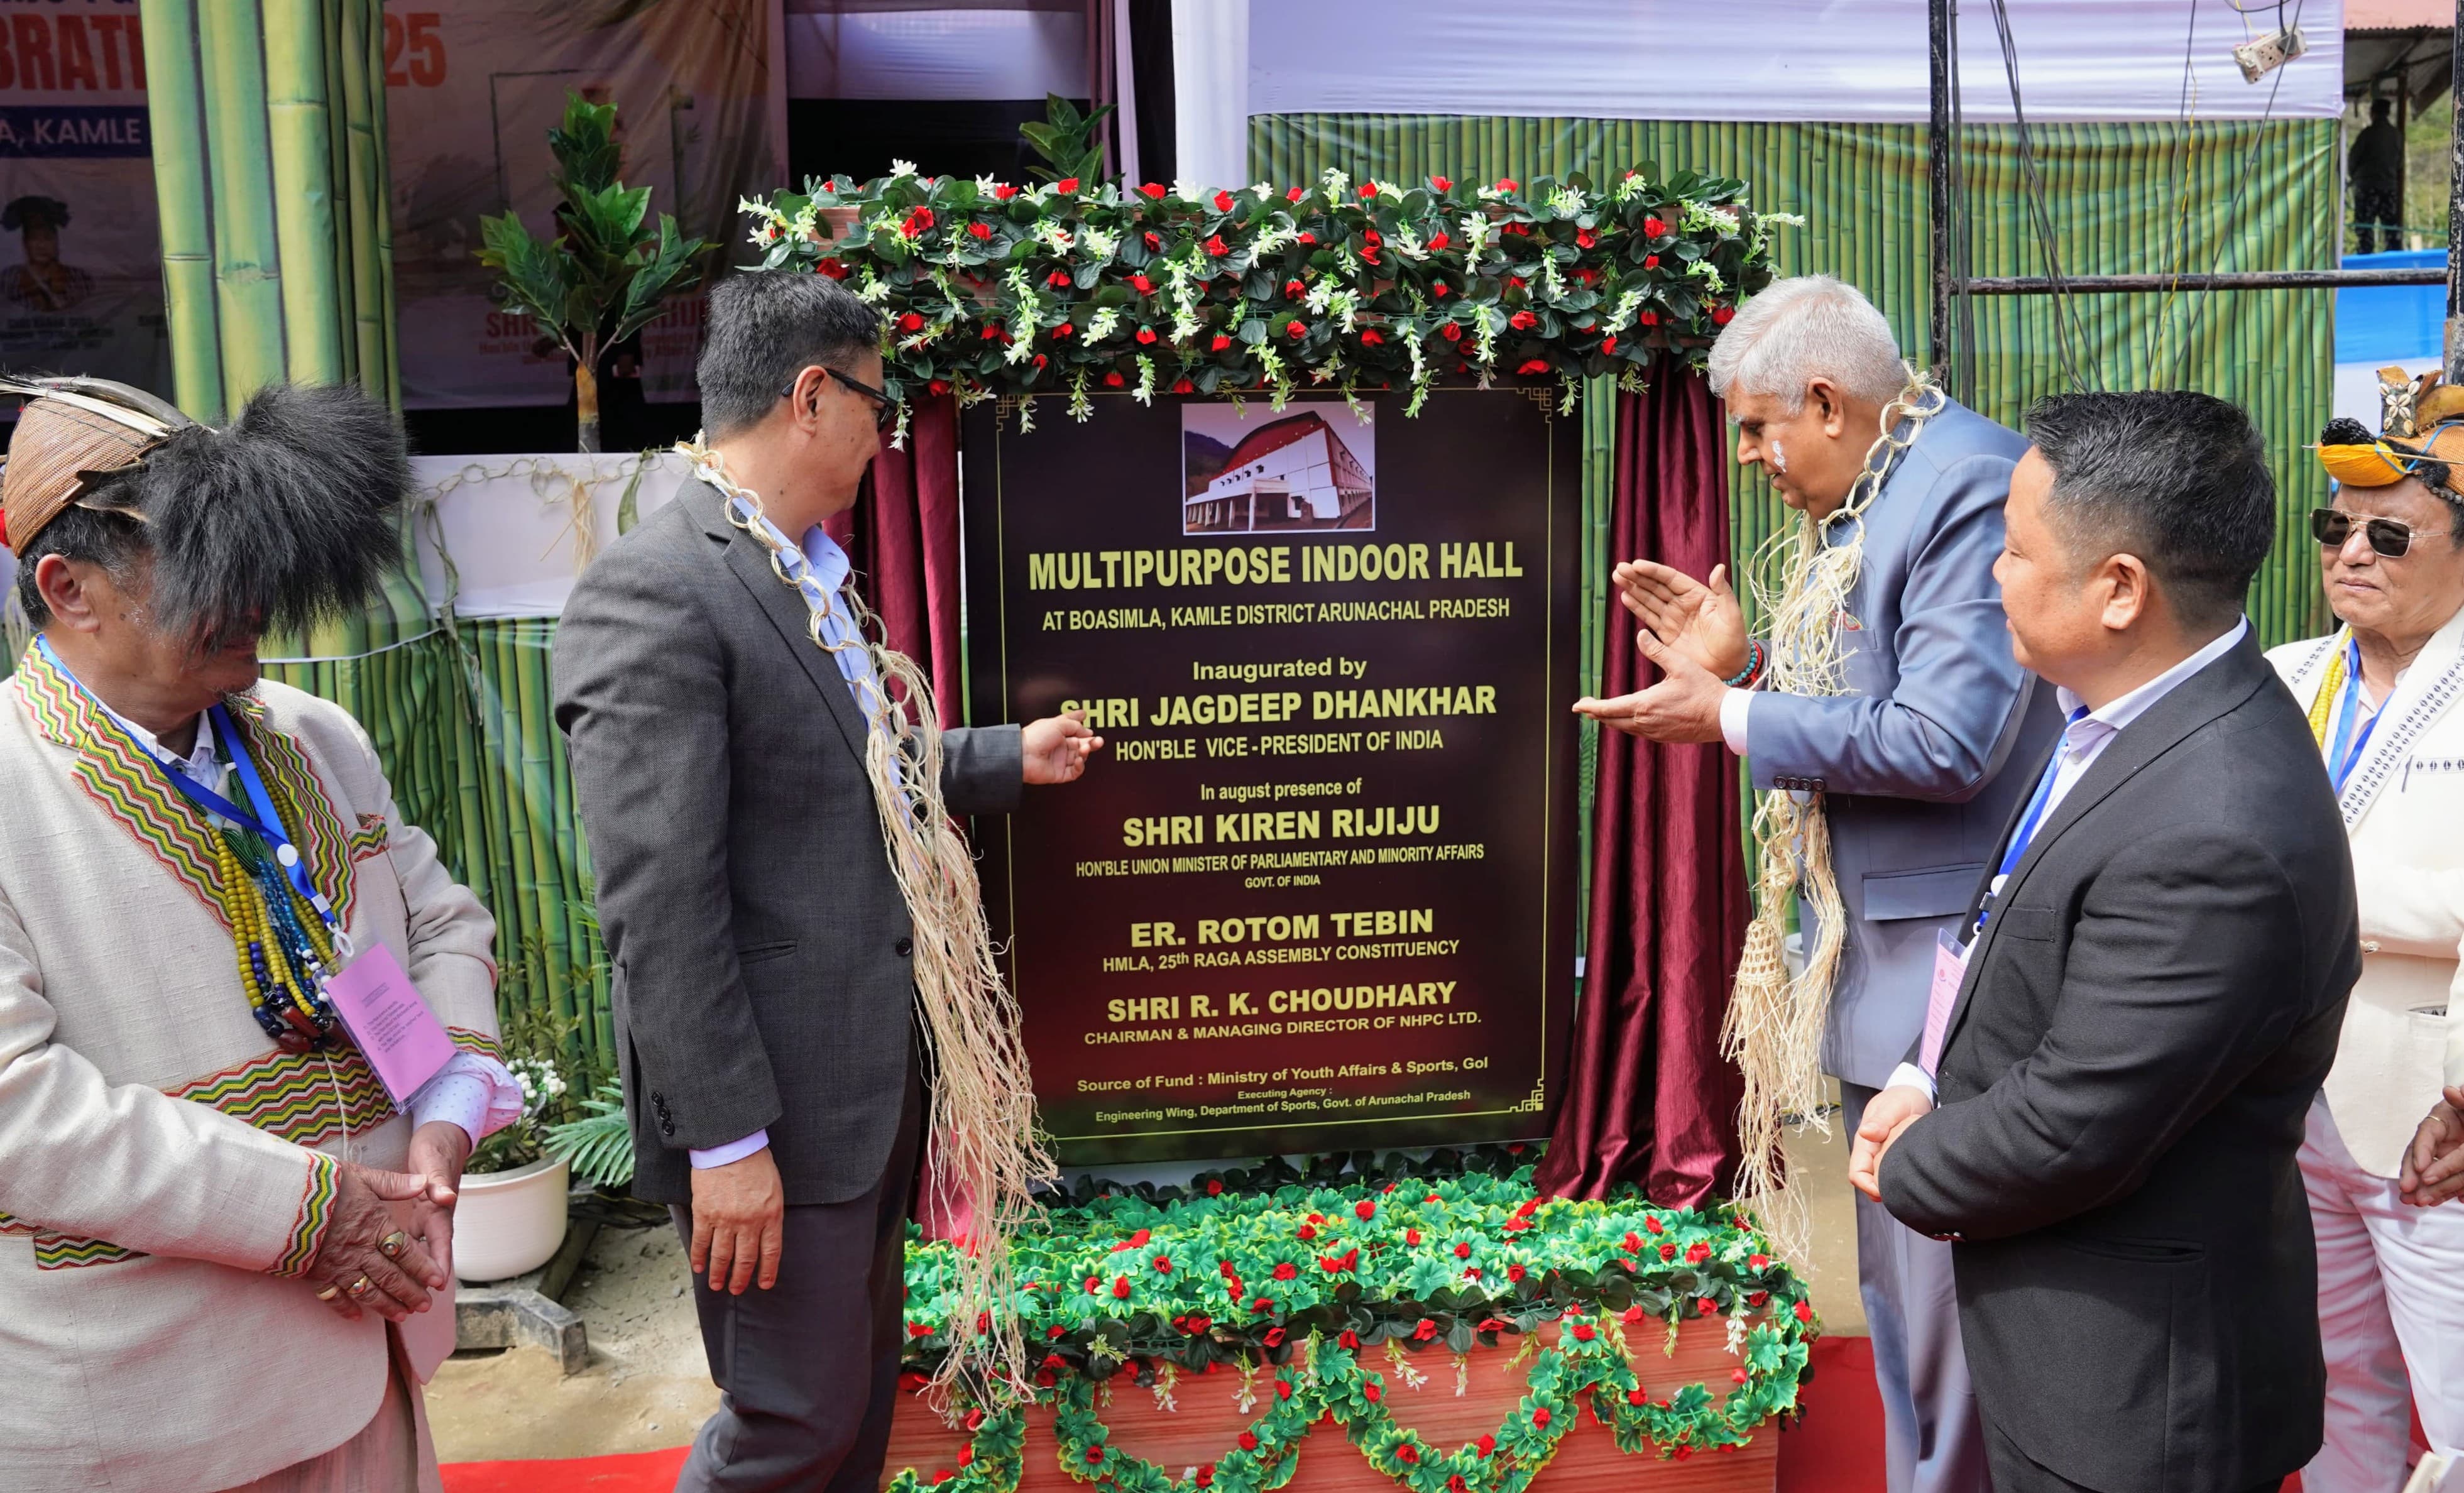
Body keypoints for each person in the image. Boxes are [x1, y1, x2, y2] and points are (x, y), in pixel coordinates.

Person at [554, 270, 1100, 1492]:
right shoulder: (657, 589)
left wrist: (1006, 757)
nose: (883, 437)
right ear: (810, 397)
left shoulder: (799, 570)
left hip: (859, 1101)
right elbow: (660, 902)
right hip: (777, 1118)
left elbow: (843, 771)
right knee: (787, 1426)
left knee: (846, 1417)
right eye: (875, 407)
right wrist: (728, 1141)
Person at [1578, 273, 2056, 1493]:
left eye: (1754, 427)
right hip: (1881, 966)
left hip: (1947, 975)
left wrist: (1733, 710)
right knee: (1903, 1326)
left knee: (1947, 1334)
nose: (1747, 459)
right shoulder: (1888, 483)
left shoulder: (1956, 486)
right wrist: (1740, 664)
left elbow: (1943, 743)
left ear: (1828, 401)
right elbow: (1865, 700)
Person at [0, 377, 518, 1492]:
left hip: (381, 1350)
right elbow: (17, 1108)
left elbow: (443, 923)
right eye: (211, 567)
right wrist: (308, 1212)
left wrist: (447, 1114)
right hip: (164, 1410)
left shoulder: (312, 735)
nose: (256, 602)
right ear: (67, 587)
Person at [1859, 390, 2362, 1493]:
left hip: (2133, 1393)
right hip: (2084, 1341)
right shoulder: (2128, 710)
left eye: (2014, 550)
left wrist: (1907, 1162)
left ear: (2120, 589)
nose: (1992, 577)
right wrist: (1925, 1074)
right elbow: (2016, 930)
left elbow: (2072, 1125)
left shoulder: (2214, 825)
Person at [2280, 386, 2464, 1490]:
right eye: (2334, 526)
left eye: (2387, 532)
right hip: (2289, 1107)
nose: (2352, 551)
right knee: (2336, 1383)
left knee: (2456, 1410)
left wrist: (2297, 889)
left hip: (2430, 1116)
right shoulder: (2283, 677)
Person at [1, 195, 93, 312]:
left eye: (48, 238)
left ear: (58, 241)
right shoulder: (8, 279)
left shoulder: (81, 279)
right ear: (25, 243)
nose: (41, 245)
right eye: (34, 238)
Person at [2350, 99, 2405, 255]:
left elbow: (2353, 159)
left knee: (2365, 228)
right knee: (2390, 227)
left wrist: (2353, 176)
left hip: (2367, 186)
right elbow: (2400, 162)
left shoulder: (2367, 135)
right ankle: (2394, 257)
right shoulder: (2396, 136)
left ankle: (2365, 255)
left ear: (2372, 113)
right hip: (2389, 186)